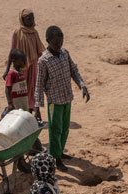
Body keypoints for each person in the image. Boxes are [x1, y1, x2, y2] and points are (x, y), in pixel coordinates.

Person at [34, 26, 90, 172]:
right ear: (48, 41)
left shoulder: (65, 53)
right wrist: (37, 108)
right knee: (55, 130)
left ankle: (60, 152)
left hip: (67, 98)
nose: (59, 45)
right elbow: (39, 84)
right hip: (54, 101)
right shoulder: (43, 61)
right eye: (56, 43)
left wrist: (82, 85)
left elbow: (73, 70)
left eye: (61, 41)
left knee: (65, 128)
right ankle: (55, 158)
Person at [3, 9, 45, 111]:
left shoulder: (34, 32)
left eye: (32, 18)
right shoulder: (17, 33)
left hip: (33, 65)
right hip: (21, 66)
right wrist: (7, 69)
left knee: (32, 87)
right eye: (28, 18)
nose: (31, 20)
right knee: (20, 88)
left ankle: (31, 110)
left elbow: (39, 51)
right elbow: (12, 51)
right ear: (22, 20)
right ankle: (14, 108)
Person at [4, 49, 29, 114]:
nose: (25, 62)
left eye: (25, 60)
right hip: (16, 102)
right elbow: (7, 89)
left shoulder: (21, 72)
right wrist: (10, 103)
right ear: (14, 61)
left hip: (23, 100)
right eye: (22, 60)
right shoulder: (11, 73)